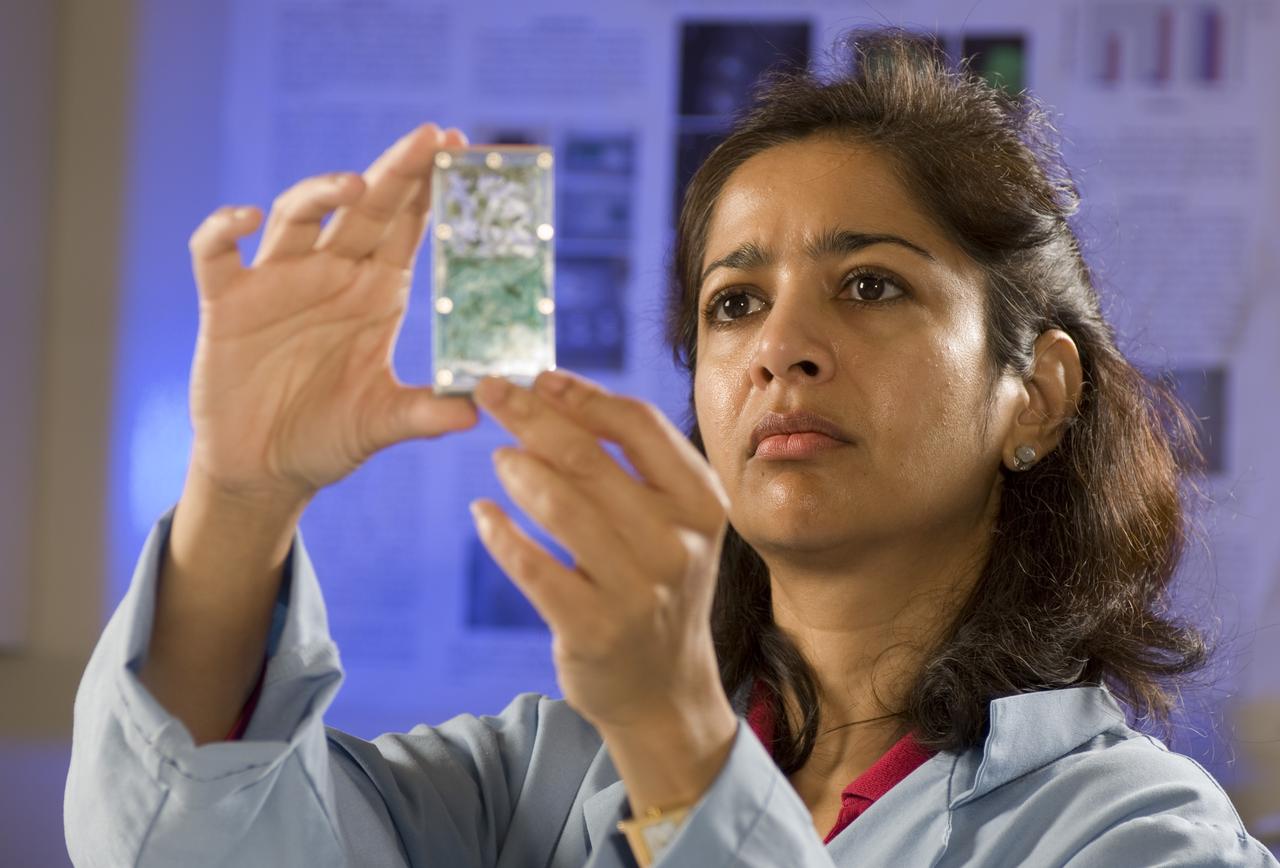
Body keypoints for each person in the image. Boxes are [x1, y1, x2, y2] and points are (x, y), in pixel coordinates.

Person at [65, 30, 1276, 867]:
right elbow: (183, 840)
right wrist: (240, 494)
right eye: (732, 303)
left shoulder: (1137, 834)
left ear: (1036, 394)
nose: (778, 348)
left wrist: (679, 746)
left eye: (868, 284)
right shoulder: (542, 780)